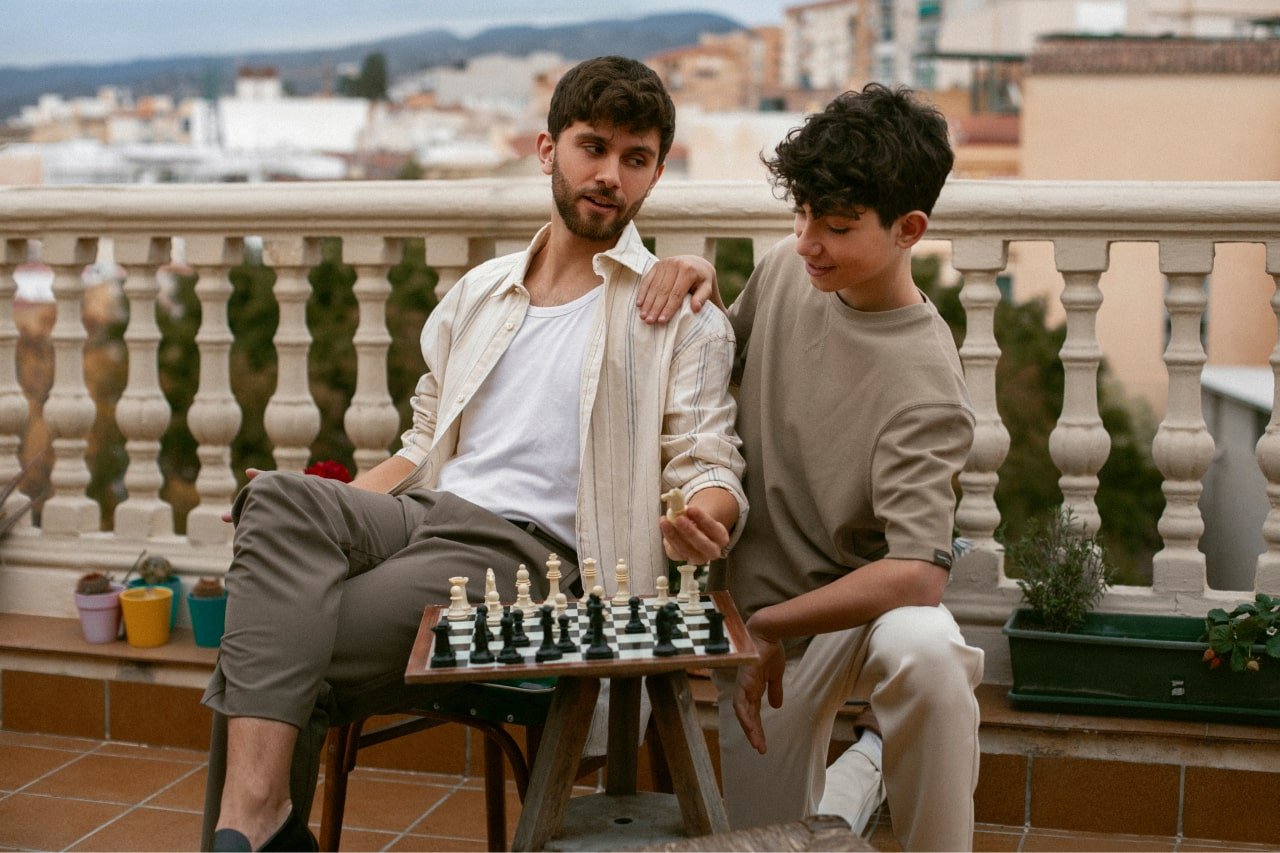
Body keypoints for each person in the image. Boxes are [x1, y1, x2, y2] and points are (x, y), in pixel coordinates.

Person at [200, 55, 747, 852]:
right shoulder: (481, 294)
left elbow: (709, 459)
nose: (610, 176)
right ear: (546, 149)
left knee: (273, 645)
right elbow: (424, 443)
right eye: (592, 147)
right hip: (421, 513)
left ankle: (245, 829)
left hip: (529, 557)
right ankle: (261, 824)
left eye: (635, 159)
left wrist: (708, 516)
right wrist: (337, 516)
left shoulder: (676, 312)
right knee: (281, 499)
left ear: (657, 172)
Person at [643, 84, 984, 850]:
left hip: (851, 612)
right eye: (800, 217)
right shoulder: (786, 272)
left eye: (834, 226)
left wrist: (769, 625)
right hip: (764, 607)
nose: (807, 242)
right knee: (773, 839)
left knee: (931, 655)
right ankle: (864, 774)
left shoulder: (926, 381)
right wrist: (699, 274)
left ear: (910, 229)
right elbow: (710, 373)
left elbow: (919, 573)